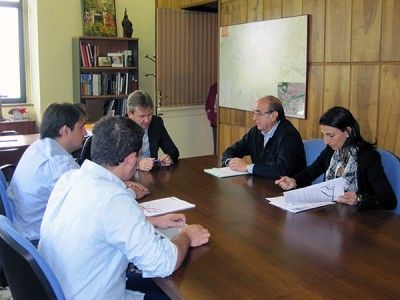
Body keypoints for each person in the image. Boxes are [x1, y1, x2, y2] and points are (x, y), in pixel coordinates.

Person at [38, 116, 210, 299]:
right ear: (130, 159)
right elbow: (164, 263)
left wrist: (150, 221)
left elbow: (97, 224)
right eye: (138, 156)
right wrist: (186, 236)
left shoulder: (70, 179)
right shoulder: (113, 199)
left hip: (62, 287)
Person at [275, 106, 397, 210]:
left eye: (331, 135)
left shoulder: (367, 156)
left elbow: (389, 200)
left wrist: (359, 198)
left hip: (358, 222)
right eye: (324, 135)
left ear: (348, 131)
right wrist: (294, 181)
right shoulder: (331, 151)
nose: (326, 141)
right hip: (332, 215)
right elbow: (310, 173)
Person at [7, 103, 86, 243]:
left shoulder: (38, 147)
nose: (85, 133)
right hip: (38, 239)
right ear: (65, 130)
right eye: (81, 127)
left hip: (21, 229)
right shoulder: (59, 163)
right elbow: (89, 203)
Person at [221, 95, 306, 179]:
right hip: (261, 185)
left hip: (287, 188)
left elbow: (282, 170)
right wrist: (231, 161)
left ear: (273, 116)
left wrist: (248, 167)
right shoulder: (256, 132)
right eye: (254, 113)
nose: (254, 118)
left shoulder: (289, 136)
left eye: (258, 114)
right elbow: (232, 150)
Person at [127, 90, 179, 171]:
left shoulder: (156, 122)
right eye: (142, 116)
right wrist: (138, 164)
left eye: (150, 114)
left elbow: (173, 150)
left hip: (151, 173)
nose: (147, 120)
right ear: (130, 114)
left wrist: (169, 157)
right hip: (128, 177)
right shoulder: (120, 128)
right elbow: (117, 161)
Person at [205, 82, 217, 154]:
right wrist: (209, 113)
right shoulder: (214, 87)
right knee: (216, 147)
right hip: (214, 122)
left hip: (223, 122)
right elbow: (208, 102)